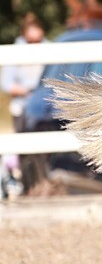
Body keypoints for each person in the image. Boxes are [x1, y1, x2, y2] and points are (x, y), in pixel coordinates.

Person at [2, 13, 46, 196]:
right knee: (25, 150)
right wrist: (28, 91)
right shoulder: (16, 50)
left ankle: (44, 183)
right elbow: (6, 83)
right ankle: (28, 185)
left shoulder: (48, 47)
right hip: (23, 105)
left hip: (44, 105)